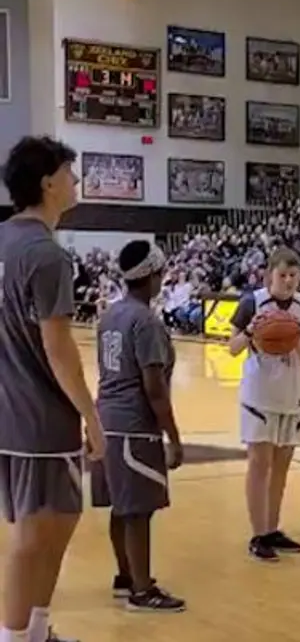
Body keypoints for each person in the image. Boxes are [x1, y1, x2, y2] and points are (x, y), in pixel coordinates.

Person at [0, 136, 107, 642]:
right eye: (70, 172)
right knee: (32, 533)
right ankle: (14, 635)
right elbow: (59, 350)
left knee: (62, 516)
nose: (76, 181)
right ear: (48, 183)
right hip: (40, 417)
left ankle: (37, 628)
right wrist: (92, 415)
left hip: (8, 411)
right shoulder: (46, 256)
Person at [90, 240, 185, 612]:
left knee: (121, 506)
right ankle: (142, 590)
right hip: (134, 425)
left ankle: (125, 575)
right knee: (138, 510)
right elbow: (154, 388)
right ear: (151, 276)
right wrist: (174, 438)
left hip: (107, 420)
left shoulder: (109, 315)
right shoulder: (145, 321)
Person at [227, 247, 300, 562]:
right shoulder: (252, 302)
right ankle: (257, 533)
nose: (289, 281)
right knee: (259, 464)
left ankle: (272, 528)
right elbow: (232, 348)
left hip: (292, 394)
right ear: (270, 275)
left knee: (281, 466)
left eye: (294, 275)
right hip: (259, 393)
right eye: (283, 275)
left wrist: (293, 337)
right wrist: (254, 331)